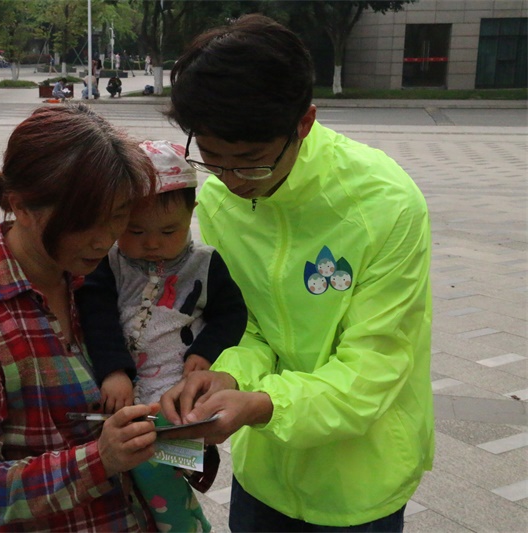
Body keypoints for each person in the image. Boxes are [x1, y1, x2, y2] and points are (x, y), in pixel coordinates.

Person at [158, 13, 434, 533]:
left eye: (252, 162)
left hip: (362, 479)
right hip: (266, 473)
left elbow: (374, 366)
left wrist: (262, 405)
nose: (234, 182)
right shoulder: (219, 196)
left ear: (303, 124)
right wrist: (228, 373)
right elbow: (253, 323)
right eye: (215, 161)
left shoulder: (386, 205)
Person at [0, 104, 162, 532]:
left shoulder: (97, 283)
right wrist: (99, 458)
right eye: (83, 222)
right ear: (20, 206)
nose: (104, 239)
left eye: (119, 215)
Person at [77, 140, 247, 533]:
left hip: (176, 397)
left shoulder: (204, 264)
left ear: (192, 212)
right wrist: (114, 371)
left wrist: (205, 352)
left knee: (160, 476)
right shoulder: (112, 263)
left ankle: (186, 526)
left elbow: (232, 314)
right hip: (124, 395)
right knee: (140, 474)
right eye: (134, 230)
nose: (152, 243)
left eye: (168, 231)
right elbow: (96, 317)